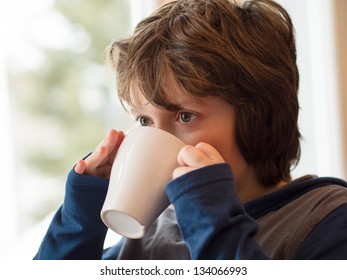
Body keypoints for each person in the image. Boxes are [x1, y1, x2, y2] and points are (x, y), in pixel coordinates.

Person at [34, 0, 347, 260]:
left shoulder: (327, 221)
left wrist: (213, 224)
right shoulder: (152, 232)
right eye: (143, 121)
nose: (158, 139)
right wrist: (79, 221)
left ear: (259, 117)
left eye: (185, 116)